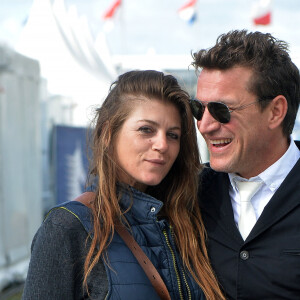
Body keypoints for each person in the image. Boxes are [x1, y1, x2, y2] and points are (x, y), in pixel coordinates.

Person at [22, 70, 224, 300]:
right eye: (146, 129)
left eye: (173, 135)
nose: (162, 144)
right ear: (109, 133)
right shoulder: (67, 227)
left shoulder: (189, 221)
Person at [190, 29, 300, 299]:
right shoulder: (187, 192)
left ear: (275, 111)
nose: (204, 126)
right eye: (197, 109)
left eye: (221, 110)